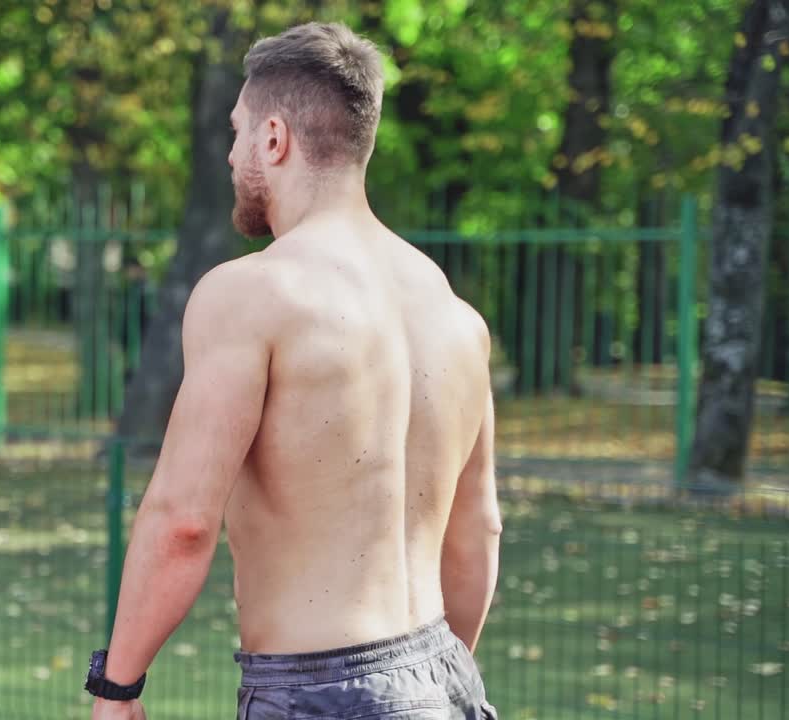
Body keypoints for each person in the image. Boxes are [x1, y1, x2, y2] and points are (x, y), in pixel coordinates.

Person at [86, 21, 501, 720]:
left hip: (320, 692)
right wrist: (429, 686)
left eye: (237, 131)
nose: (230, 155)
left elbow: (184, 520)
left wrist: (118, 687)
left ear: (273, 139)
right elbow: (478, 529)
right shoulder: (451, 311)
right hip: (448, 680)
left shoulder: (252, 294)